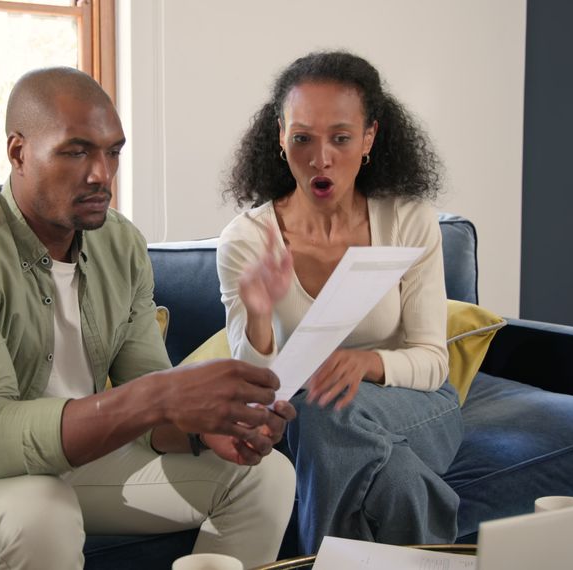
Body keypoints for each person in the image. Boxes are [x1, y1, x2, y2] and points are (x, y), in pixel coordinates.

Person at [0, 67, 296, 570]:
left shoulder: (120, 245)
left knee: (266, 477)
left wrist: (200, 428)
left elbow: (150, 407)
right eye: (77, 151)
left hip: (74, 461)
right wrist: (161, 397)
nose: (102, 173)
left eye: (113, 152)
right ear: (18, 152)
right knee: (42, 510)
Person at [216, 51, 463, 554]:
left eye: (341, 138)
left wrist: (366, 362)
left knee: (320, 406)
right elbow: (256, 394)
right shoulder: (247, 240)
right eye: (302, 137)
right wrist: (259, 314)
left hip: (416, 407)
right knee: (390, 475)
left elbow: (434, 363)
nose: (320, 158)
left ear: (369, 137)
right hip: (303, 418)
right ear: (280, 135)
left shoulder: (409, 221)